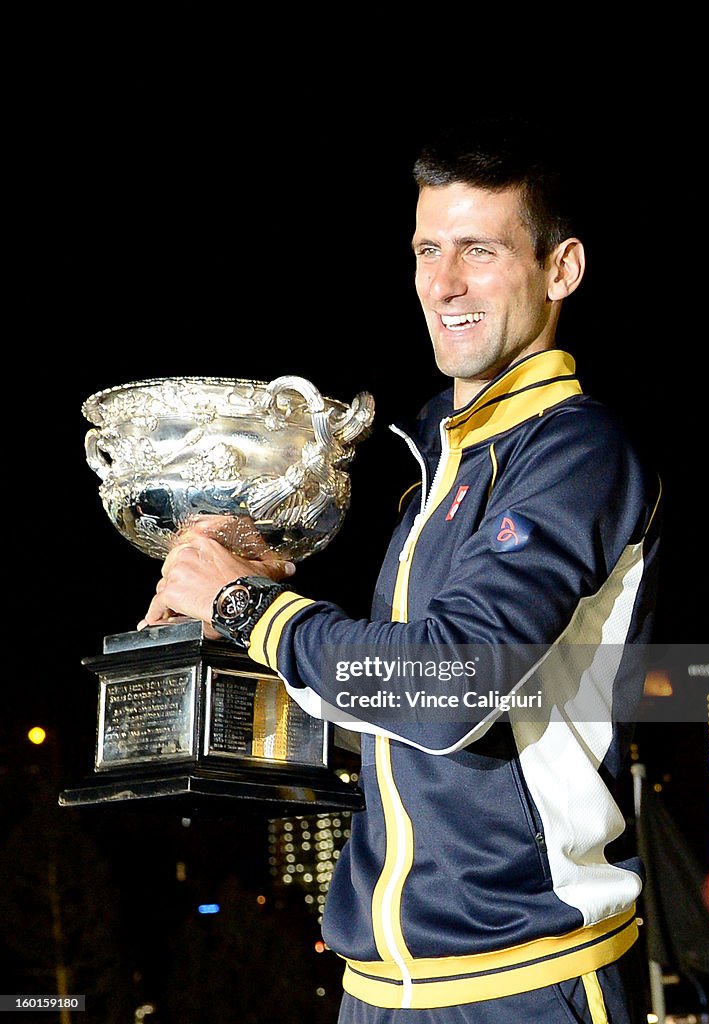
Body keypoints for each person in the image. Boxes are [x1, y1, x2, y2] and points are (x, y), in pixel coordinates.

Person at [140, 119, 661, 1023]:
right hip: (375, 990)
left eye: (480, 250)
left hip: (522, 985)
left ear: (561, 269)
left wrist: (246, 601)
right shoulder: (436, 461)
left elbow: (452, 685)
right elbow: (390, 723)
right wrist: (223, 646)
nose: (444, 283)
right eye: (427, 249)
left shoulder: (577, 452)